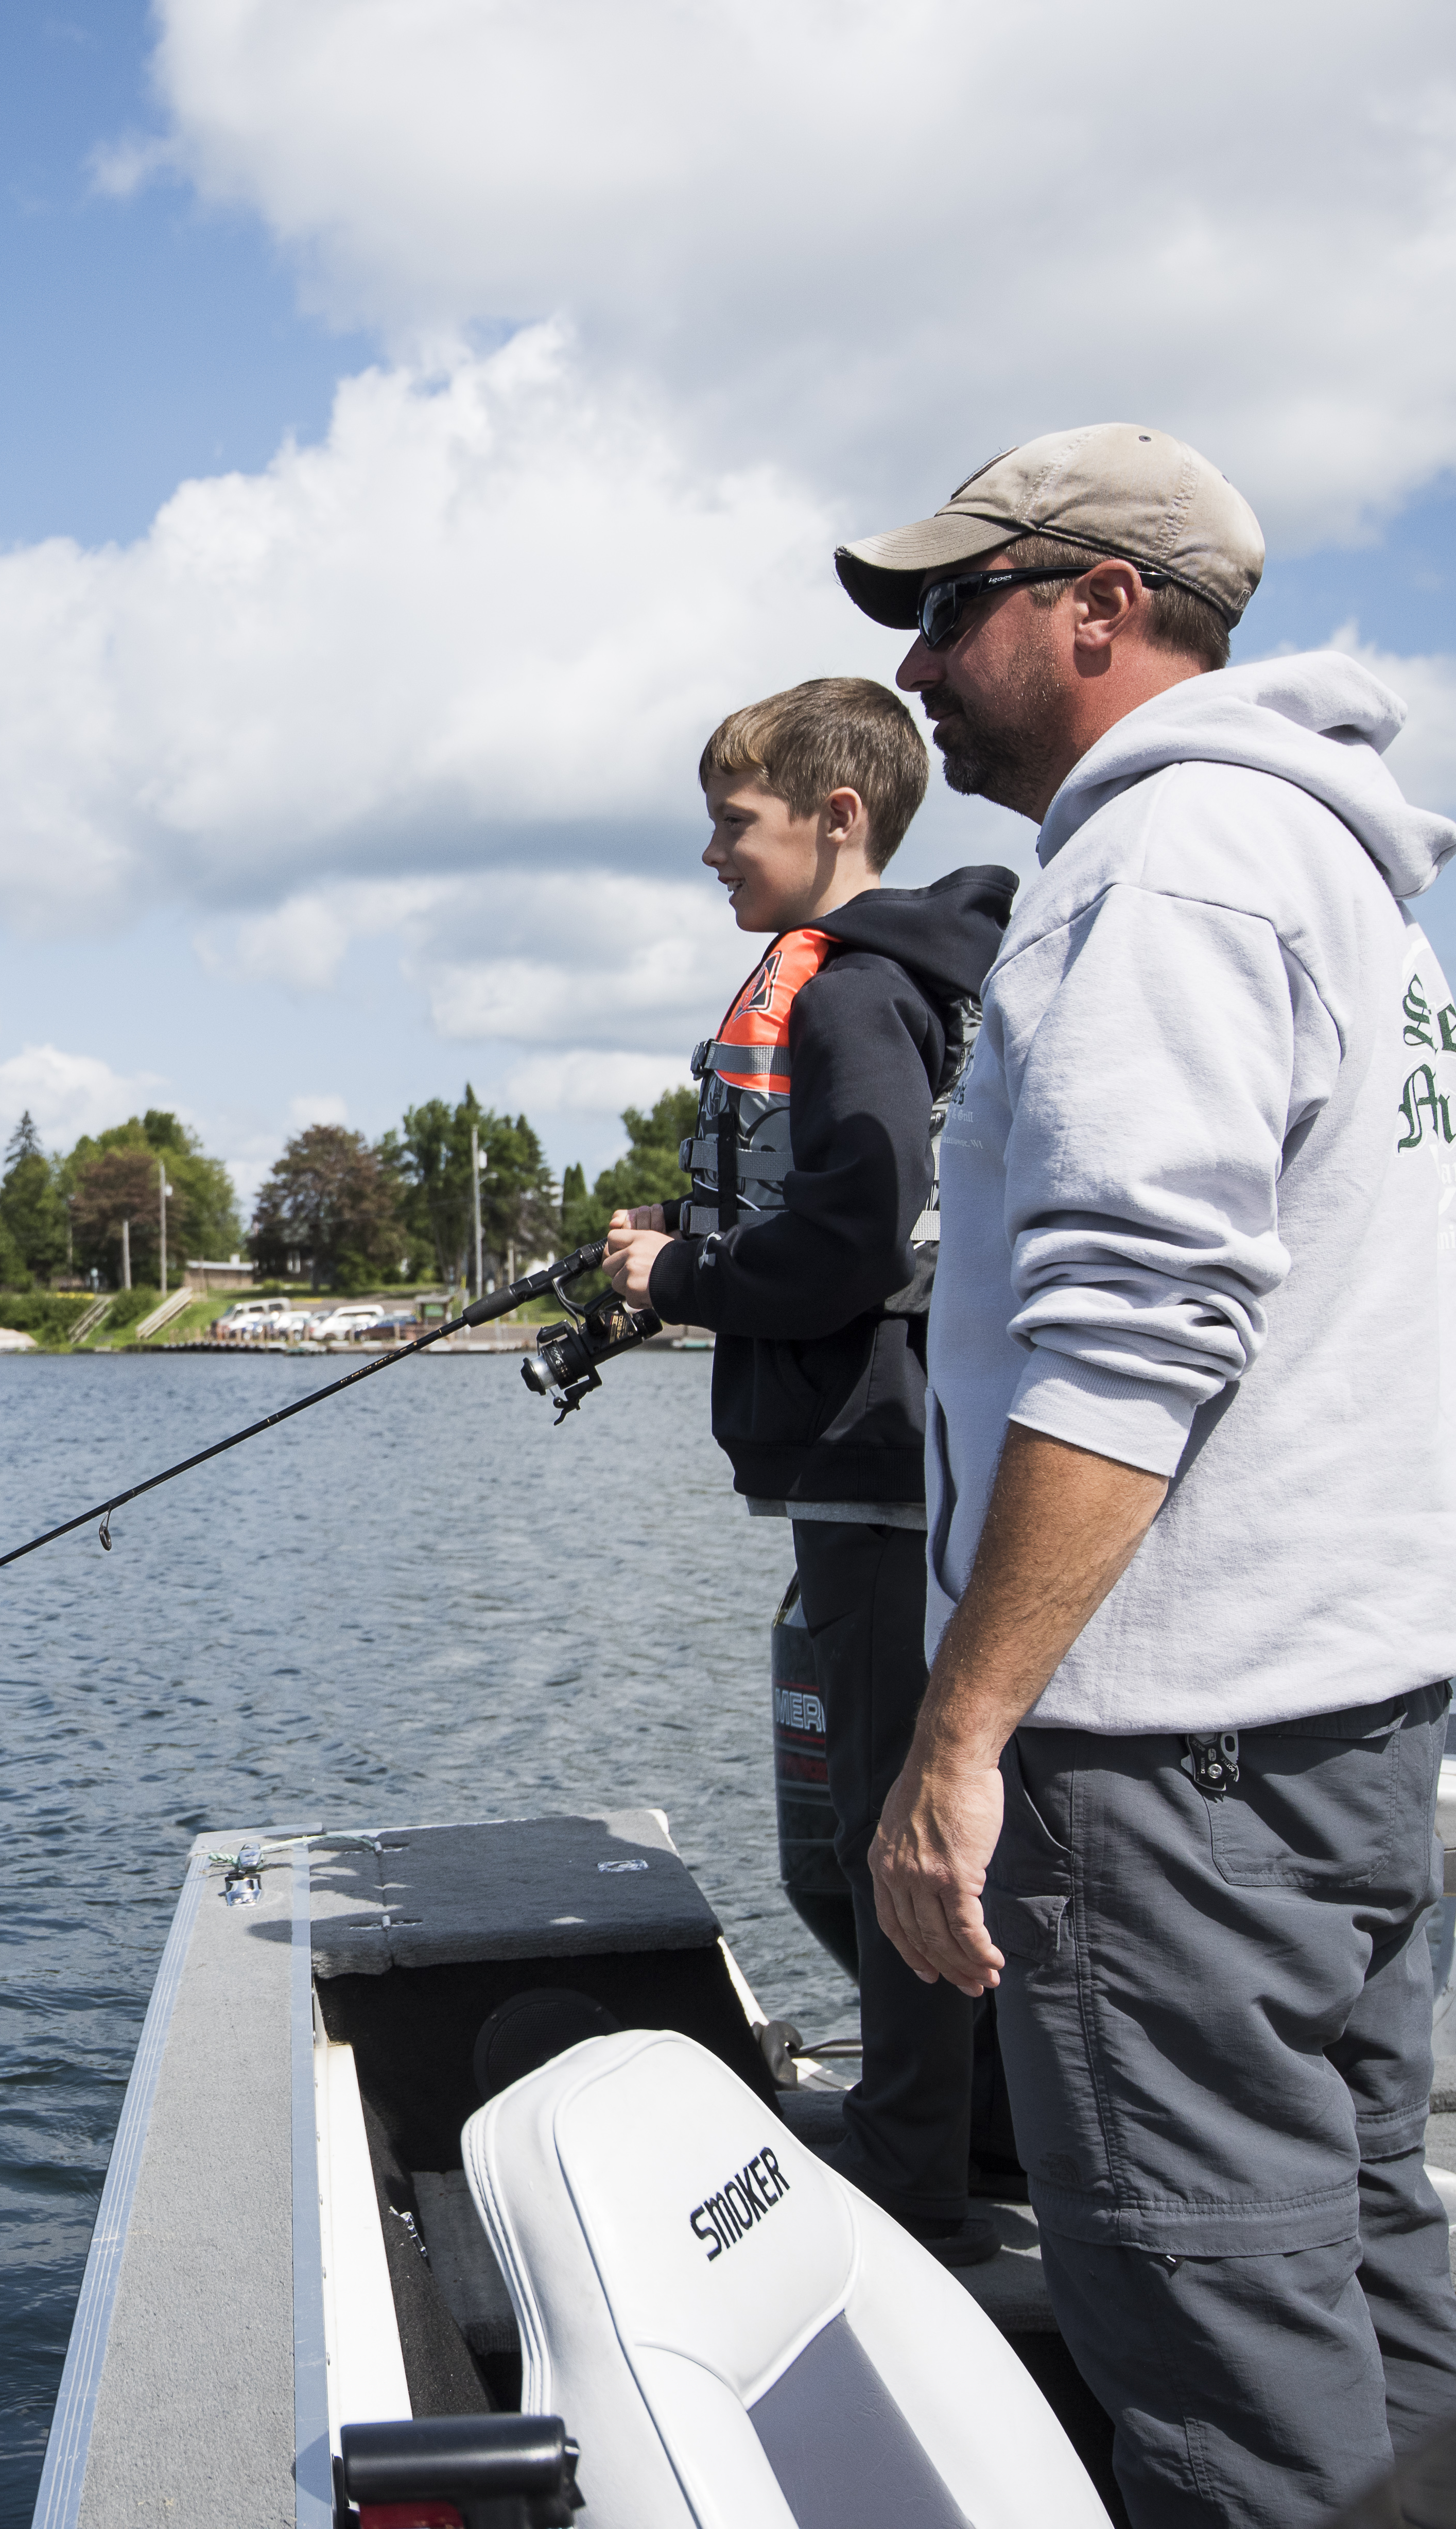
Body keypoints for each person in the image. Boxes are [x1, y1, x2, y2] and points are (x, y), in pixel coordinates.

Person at [841, 424, 1456, 2528]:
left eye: (949, 612)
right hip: (1345, 1726)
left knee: (1217, 2364)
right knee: (1364, 2278)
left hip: (1169, 1766)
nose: (919, 674)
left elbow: (1139, 1321)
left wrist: (961, 1733)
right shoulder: (1329, 866)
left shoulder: (1162, 871)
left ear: (1097, 609)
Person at [602, 679, 1017, 2265]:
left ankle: (914, 2160)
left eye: (734, 821)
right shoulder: (912, 984)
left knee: (884, 1821)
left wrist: (678, 1281)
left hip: (875, 1467)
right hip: (913, 1457)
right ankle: (974, 2125)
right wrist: (689, 1247)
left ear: (837, 819)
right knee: (909, 1809)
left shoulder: (847, 995)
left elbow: (851, 1242)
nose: (712, 852)